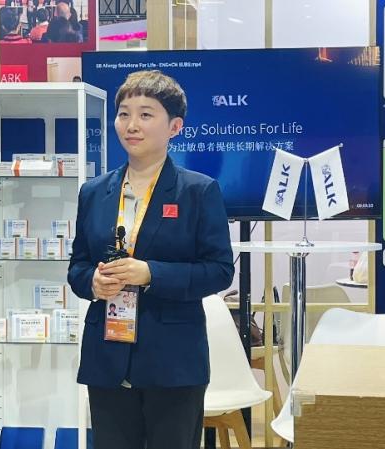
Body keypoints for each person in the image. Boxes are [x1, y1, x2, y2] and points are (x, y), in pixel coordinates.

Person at [67, 70, 234, 449]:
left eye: (145, 114)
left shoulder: (198, 191)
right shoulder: (93, 192)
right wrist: (92, 281)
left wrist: (150, 273)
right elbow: (77, 266)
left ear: (175, 126)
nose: (131, 125)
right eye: (124, 114)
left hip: (172, 361)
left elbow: (220, 271)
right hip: (107, 356)